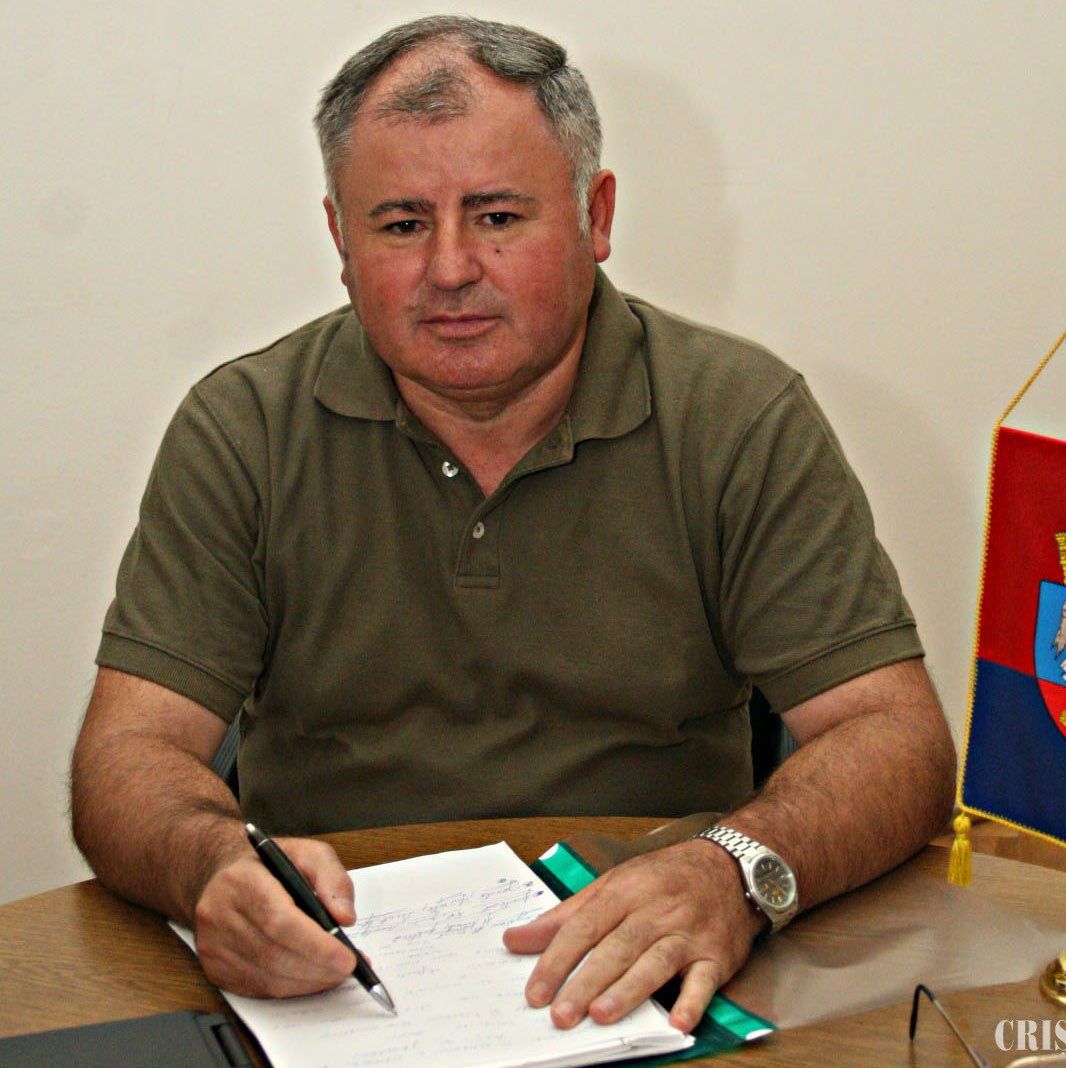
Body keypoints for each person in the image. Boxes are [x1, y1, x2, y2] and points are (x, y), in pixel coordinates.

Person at [70, 15, 956, 1036]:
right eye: (401, 224)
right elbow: (125, 755)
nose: (450, 268)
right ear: (340, 241)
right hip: (336, 987)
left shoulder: (737, 418)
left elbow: (898, 739)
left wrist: (736, 871)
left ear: (596, 216)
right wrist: (214, 870)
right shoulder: (245, 430)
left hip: (656, 970)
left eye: (496, 216)